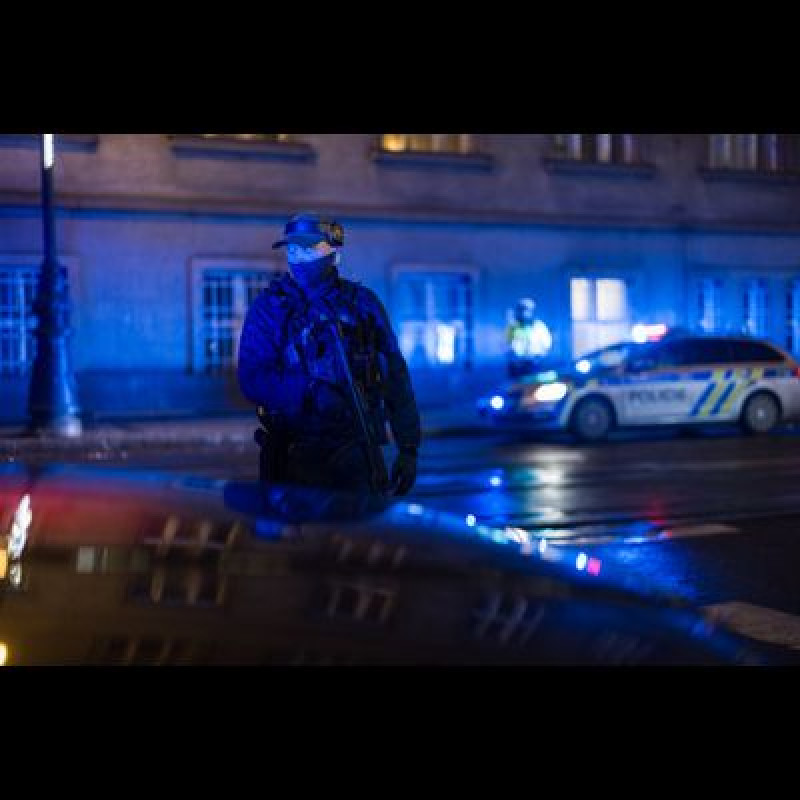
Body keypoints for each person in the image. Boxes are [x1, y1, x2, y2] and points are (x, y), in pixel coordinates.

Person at [237, 211, 421, 497]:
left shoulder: (362, 305)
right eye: (292, 250)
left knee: (362, 524)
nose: (299, 258)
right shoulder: (270, 308)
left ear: (333, 251)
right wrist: (310, 391)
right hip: (293, 457)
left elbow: (395, 374)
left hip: (357, 454)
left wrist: (408, 447)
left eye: (309, 249)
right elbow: (252, 378)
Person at [506, 296, 552, 378]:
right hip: (516, 365)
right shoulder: (513, 327)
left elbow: (546, 345)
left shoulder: (539, 326)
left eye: (527, 309)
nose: (524, 312)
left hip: (533, 364)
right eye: (521, 309)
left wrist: (538, 356)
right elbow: (507, 344)